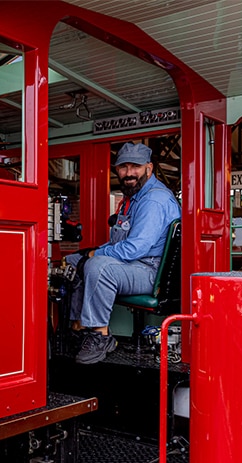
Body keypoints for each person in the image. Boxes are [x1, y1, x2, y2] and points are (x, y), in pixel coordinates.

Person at [66, 142, 181, 365]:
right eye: (123, 167)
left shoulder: (153, 200)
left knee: (98, 267)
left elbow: (134, 248)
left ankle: (100, 335)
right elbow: (120, 242)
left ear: (149, 168)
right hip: (133, 266)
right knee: (73, 260)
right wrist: (89, 253)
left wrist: (94, 255)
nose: (128, 173)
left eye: (135, 167)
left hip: (149, 271)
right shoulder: (133, 198)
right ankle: (77, 326)